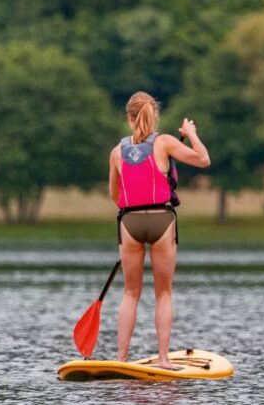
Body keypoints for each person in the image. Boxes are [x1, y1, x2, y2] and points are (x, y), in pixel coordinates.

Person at [108, 91, 211, 369]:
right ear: (154, 116)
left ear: (129, 117)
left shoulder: (117, 152)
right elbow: (204, 160)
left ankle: (121, 359)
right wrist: (190, 133)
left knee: (131, 293)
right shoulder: (165, 143)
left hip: (129, 224)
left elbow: (115, 195)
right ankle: (163, 359)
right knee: (163, 293)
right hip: (162, 221)